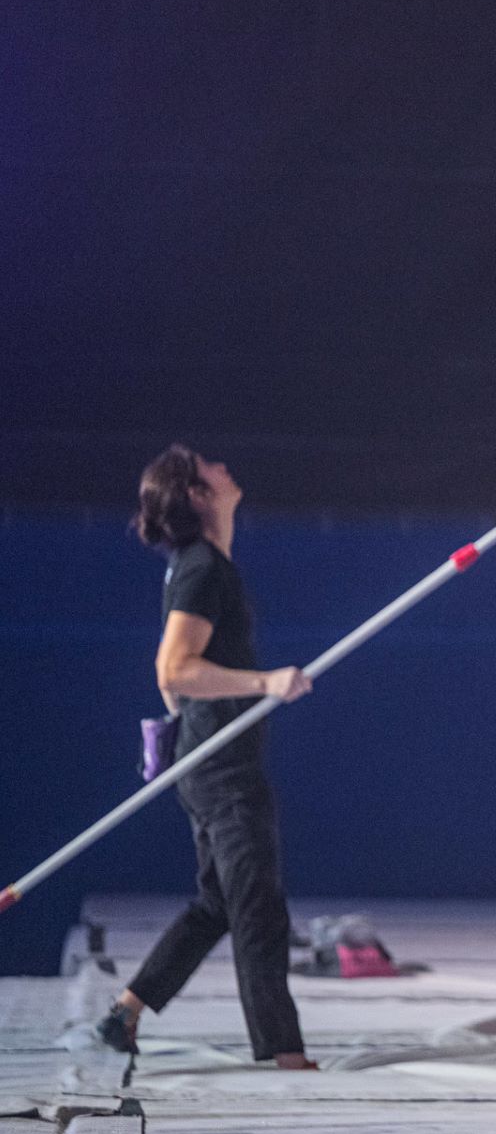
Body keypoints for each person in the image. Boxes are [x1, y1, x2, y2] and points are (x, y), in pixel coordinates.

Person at [96, 446, 315, 1070]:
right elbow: (175, 667)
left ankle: (127, 1009)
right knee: (257, 906)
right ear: (196, 494)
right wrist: (264, 682)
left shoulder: (202, 566)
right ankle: (283, 1054)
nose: (225, 467)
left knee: (220, 903)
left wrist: (174, 726)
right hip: (222, 769)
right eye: (208, 467)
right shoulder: (201, 569)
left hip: (208, 760)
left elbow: (170, 681)